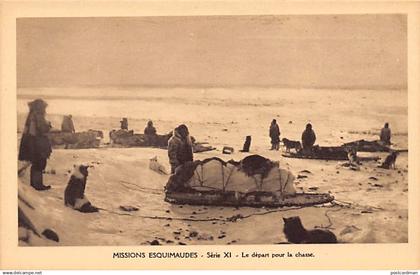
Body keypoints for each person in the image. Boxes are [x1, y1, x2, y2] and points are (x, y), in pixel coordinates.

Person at [18, 99, 52, 191]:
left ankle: (35, 184)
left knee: (37, 163)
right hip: (37, 143)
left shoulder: (32, 114)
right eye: (44, 107)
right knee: (39, 162)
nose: (45, 109)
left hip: (33, 142)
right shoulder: (38, 115)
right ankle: (37, 185)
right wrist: (48, 125)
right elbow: (42, 129)